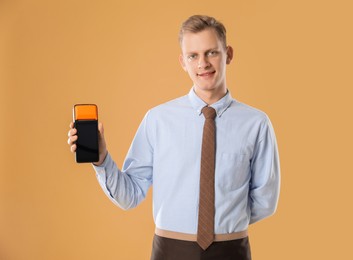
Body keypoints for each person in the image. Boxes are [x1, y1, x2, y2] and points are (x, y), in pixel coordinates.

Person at [67, 15, 280, 260]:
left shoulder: (256, 123)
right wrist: (101, 158)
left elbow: (265, 200)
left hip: (232, 250)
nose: (203, 64)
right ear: (183, 61)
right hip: (170, 250)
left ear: (228, 54)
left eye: (212, 53)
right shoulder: (158, 120)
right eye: (193, 56)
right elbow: (130, 195)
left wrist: (226, 221)